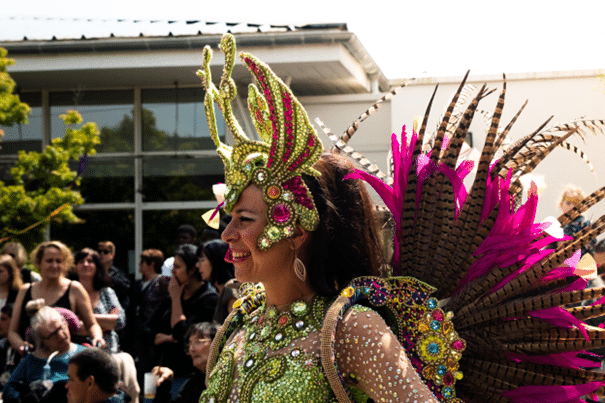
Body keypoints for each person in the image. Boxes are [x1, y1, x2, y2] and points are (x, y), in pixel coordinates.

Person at [8, 241, 105, 355]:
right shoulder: (25, 290)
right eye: (49, 261)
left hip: (67, 359)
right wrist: (22, 346)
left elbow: (92, 324)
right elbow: (12, 331)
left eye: (58, 261)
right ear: (39, 263)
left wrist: (97, 338)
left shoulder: (74, 288)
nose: (54, 265)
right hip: (32, 357)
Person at [144, 244, 217, 396]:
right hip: (155, 370)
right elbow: (145, 329)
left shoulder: (208, 299)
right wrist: (160, 337)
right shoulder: (171, 295)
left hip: (183, 374)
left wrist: (176, 299)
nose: (172, 272)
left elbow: (183, 335)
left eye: (177, 267)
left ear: (192, 270)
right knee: (149, 400)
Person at [2, 306, 86, 402]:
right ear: (43, 340)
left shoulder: (85, 355)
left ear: (66, 323)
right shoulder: (31, 361)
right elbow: (9, 391)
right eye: (52, 334)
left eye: (60, 328)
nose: (61, 335)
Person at [124, 249, 168, 400]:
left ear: (151, 264)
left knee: (150, 374)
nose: (139, 265)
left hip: (151, 338)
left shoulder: (161, 284)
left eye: (142, 262)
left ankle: (149, 399)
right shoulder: (137, 284)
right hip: (135, 336)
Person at [151, 322, 218, 403]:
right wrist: (165, 383)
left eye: (198, 342)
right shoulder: (192, 384)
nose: (192, 349)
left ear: (218, 344)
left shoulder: (229, 379)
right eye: (189, 344)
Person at [74, 248, 125, 353]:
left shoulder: (106, 292)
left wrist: (83, 319)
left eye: (90, 261)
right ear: (75, 267)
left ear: (97, 266)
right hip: (76, 352)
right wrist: (106, 324)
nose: (85, 264)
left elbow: (120, 321)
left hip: (107, 352)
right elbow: (70, 327)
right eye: (81, 261)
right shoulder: (70, 292)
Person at [196, 240, 237, 325]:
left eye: (202, 260)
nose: (197, 265)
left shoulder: (231, 289)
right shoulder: (220, 291)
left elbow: (235, 330)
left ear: (215, 261)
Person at [97, 241, 131, 311]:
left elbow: (126, 288)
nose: (102, 254)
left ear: (112, 255)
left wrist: (109, 280)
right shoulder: (93, 271)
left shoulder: (118, 273)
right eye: (99, 251)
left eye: (106, 252)